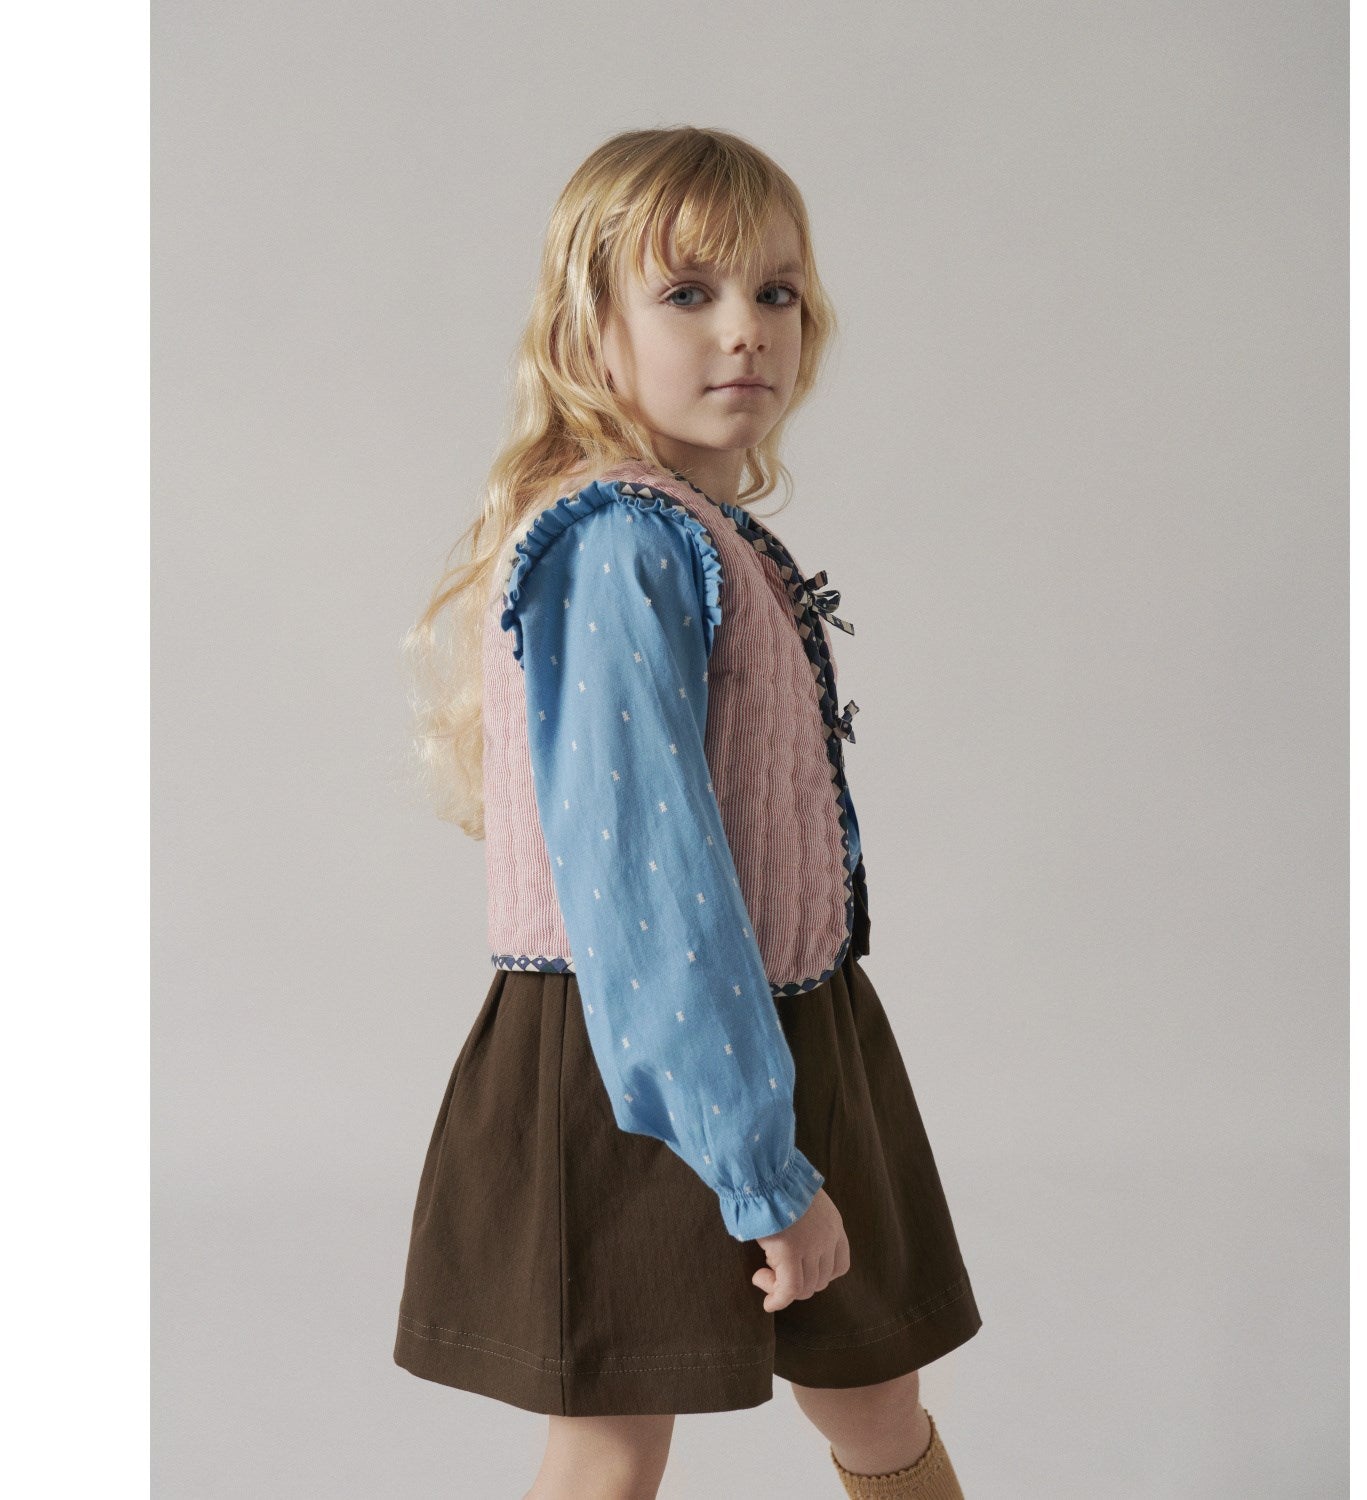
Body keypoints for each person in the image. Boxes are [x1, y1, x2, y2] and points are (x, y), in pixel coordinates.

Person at [393, 125, 982, 1500]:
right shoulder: (615, 544)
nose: (745, 331)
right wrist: (757, 1167)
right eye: (687, 294)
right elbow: (644, 886)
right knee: (613, 1435)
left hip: (788, 1018)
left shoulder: (693, 530)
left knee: (875, 1392)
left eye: (776, 292)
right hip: (644, 1048)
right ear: (587, 329)